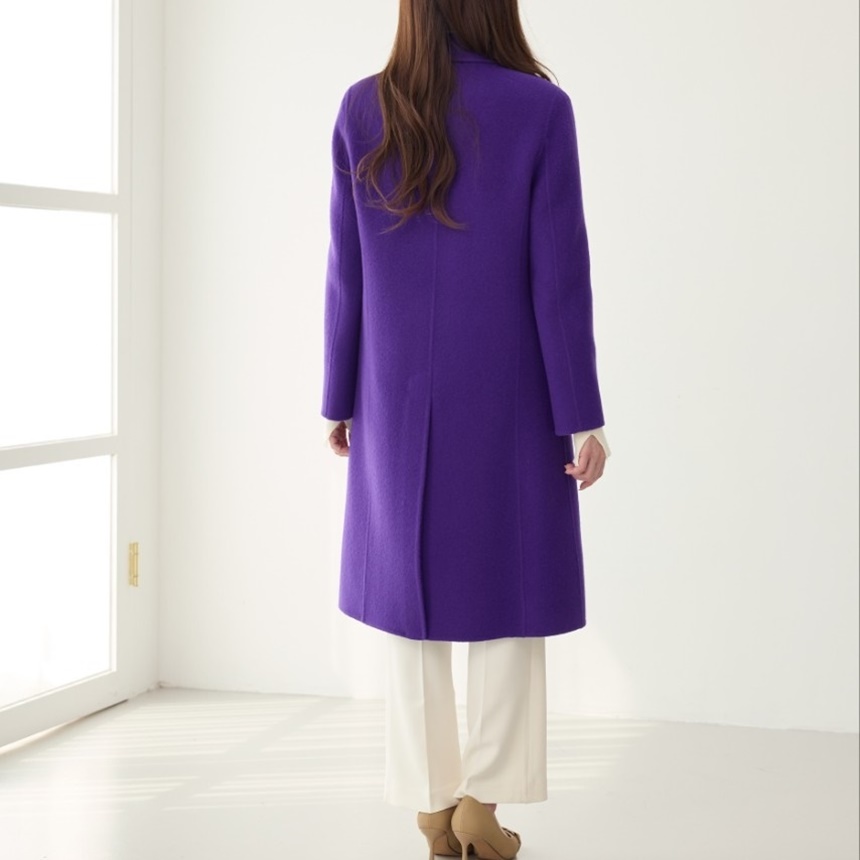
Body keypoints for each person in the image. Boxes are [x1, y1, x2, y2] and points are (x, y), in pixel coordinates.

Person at [321, 1, 611, 857]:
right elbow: (559, 276)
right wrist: (582, 416)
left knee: (407, 597)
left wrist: (339, 398)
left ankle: (430, 804)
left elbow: (346, 271)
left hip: (393, 392)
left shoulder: (364, 107)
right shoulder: (539, 108)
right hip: (512, 390)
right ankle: (483, 806)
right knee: (509, 593)